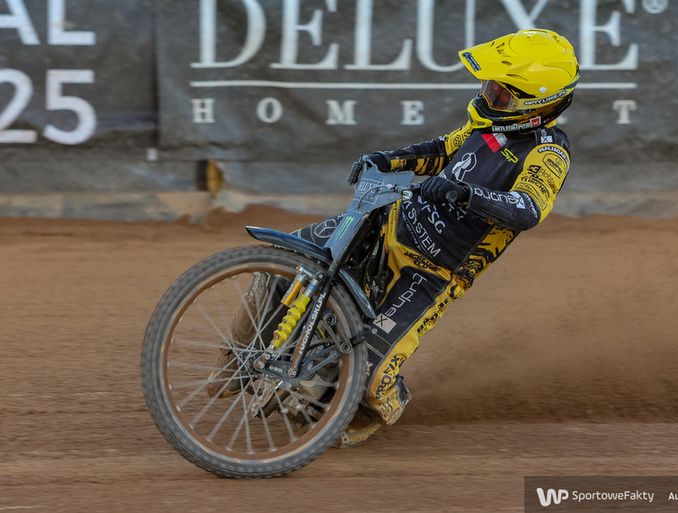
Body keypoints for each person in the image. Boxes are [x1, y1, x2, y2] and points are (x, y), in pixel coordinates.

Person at [208, 28, 579, 448]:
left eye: (500, 93)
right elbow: (442, 150)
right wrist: (387, 159)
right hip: (386, 225)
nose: (488, 95)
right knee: (280, 258)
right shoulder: (488, 125)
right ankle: (237, 360)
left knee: (368, 379)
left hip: (431, 274)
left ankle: (369, 401)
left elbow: (527, 208)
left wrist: (466, 194)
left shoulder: (549, 153)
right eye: (489, 86)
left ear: (535, 104)